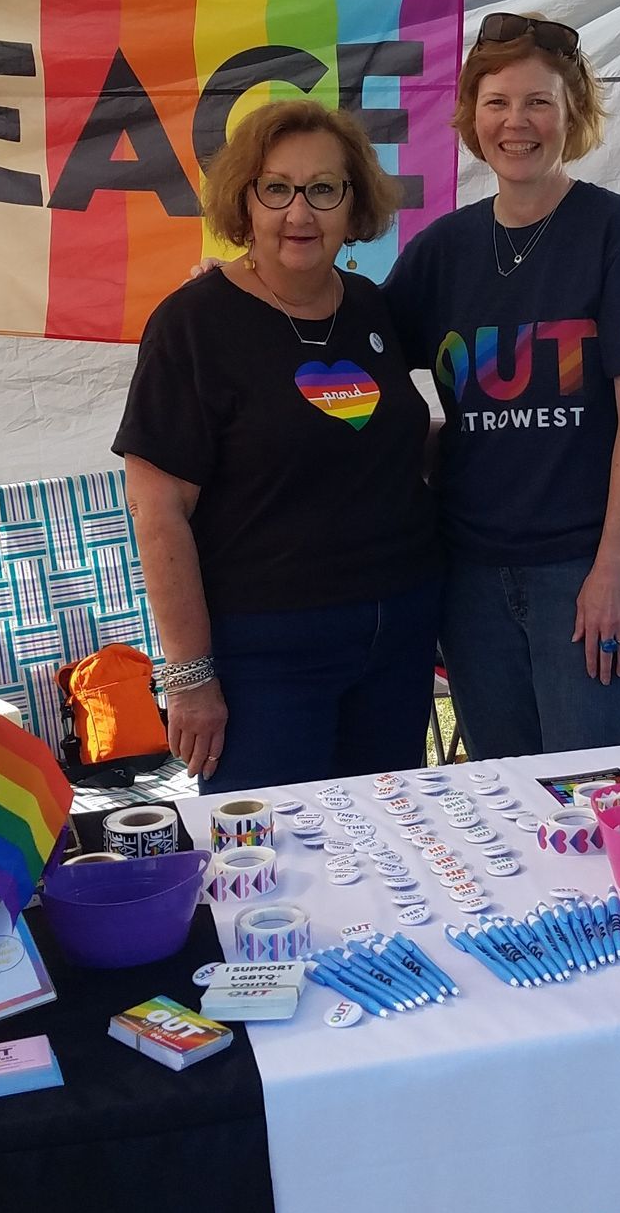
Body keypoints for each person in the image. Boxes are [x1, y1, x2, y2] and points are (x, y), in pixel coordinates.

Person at [115, 101, 441, 791]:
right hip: (266, 655)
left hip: (395, 641)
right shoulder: (193, 324)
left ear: (353, 203)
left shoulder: (371, 308)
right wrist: (190, 676)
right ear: (245, 201)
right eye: (277, 189)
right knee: (269, 847)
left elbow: (385, 443)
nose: (300, 213)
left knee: (389, 838)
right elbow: (157, 509)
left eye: (324, 189)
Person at [387, 11, 620, 758]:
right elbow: (357, 349)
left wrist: (611, 569)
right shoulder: (442, 250)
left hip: (589, 565)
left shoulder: (619, 232)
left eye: (538, 102)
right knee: (504, 798)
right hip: (474, 577)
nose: (516, 123)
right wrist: (247, 288)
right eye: (497, 102)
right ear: (471, 116)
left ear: (572, 114)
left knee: (592, 792)